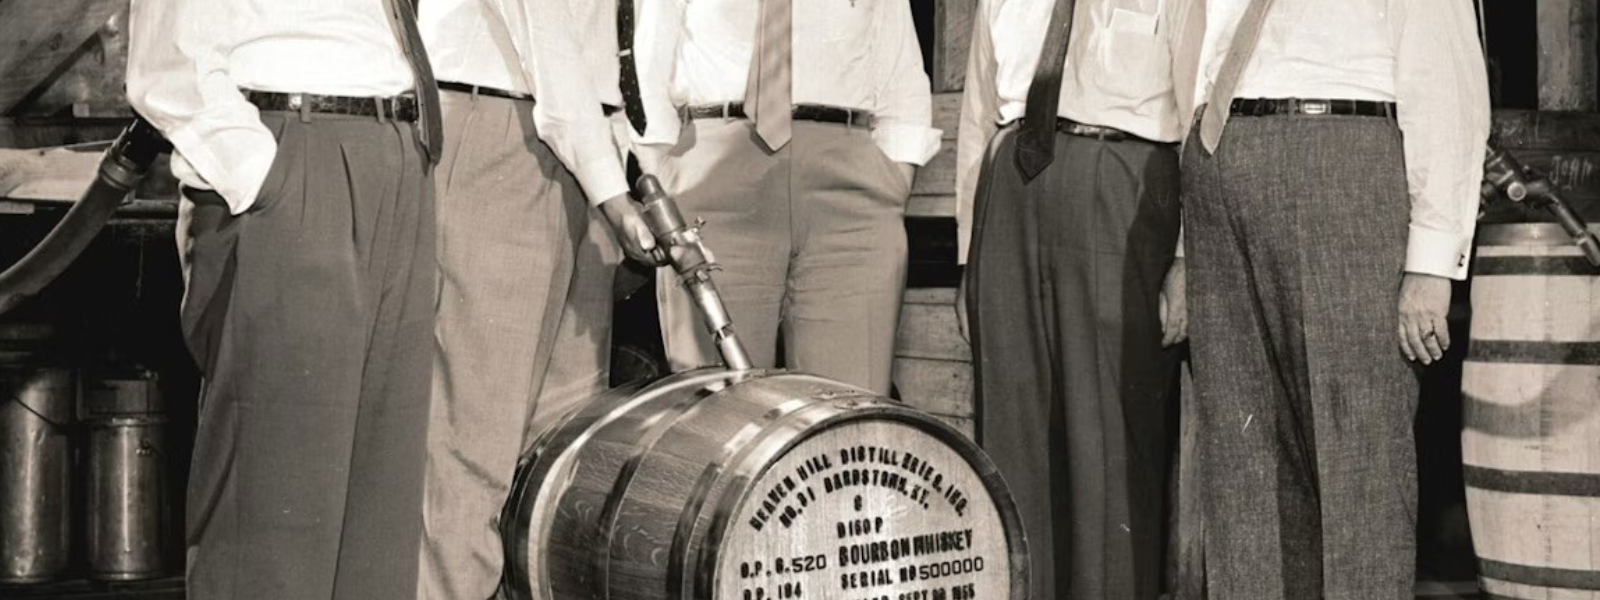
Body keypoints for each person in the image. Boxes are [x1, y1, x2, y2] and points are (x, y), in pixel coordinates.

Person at [1169, 0, 1490, 596]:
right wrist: (1187, 240)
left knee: (1357, 455)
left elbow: (1448, 84)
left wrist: (1431, 264)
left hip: (1339, 157)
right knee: (1244, 461)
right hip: (1216, 166)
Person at [125, 0, 442, 596]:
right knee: (273, 509)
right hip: (293, 150)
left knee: (378, 514)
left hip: (397, 152)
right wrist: (263, 175)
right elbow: (167, 60)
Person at [415, 0, 663, 597]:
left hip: (587, 141)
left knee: (560, 459)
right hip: (502, 123)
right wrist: (611, 189)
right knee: (472, 448)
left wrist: (631, 162)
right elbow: (547, 31)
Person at [956, 0, 1188, 597]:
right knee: (1012, 427)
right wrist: (968, 255)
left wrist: (1187, 256)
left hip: (1123, 181)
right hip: (1009, 189)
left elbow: (1201, 108)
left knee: (1108, 432)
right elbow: (978, 116)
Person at [633, 0, 939, 394]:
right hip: (713, 184)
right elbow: (646, 72)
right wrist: (664, 183)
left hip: (852, 191)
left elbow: (902, 78)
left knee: (848, 412)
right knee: (714, 407)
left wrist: (894, 182)